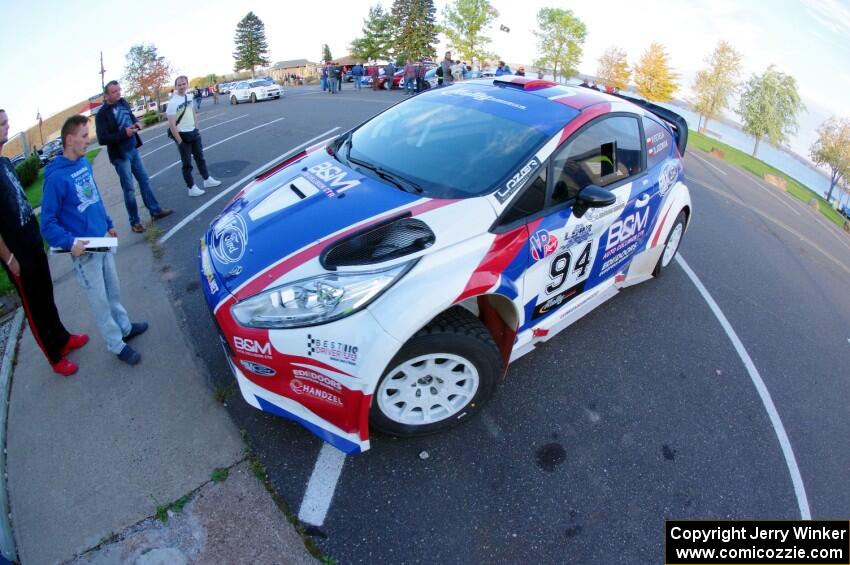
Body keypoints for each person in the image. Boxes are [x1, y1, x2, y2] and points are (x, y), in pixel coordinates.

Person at [41, 115, 148, 366]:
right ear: (69, 139)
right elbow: (47, 224)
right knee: (99, 300)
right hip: (84, 252)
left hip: (102, 240)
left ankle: (124, 327)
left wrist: (109, 223)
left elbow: (95, 198)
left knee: (113, 290)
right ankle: (115, 343)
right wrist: (70, 243)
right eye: (84, 136)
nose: (89, 140)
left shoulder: (84, 164)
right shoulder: (55, 178)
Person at [0, 109, 88, 376]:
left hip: (32, 240)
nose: (7, 126)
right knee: (34, 305)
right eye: (3, 123)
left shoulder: (4, 162)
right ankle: (54, 355)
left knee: (47, 295)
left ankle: (62, 338)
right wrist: (9, 258)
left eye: (6, 121)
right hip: (16, 253)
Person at [95, 80, 173, 234]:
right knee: (129, 189)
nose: (118, 93)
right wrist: (124, 134)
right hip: (120, 155)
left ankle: (155, 211)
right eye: (114, 92)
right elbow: (103, 139)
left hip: (133, 149)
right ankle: (135, 222)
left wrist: (137, 123)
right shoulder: (102, 115)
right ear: (106, 95)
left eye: (119, 90)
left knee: (144, 180)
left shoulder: (123, 102)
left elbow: (130, 116)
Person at [167, 76, 222, 197]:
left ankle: (207, 179)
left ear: (187, 84)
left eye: (184, 84)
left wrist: (197, 128)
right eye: (179, 85)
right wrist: (180, 141)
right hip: (182, 135)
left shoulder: (189, 97)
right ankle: (191, 187)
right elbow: (171, 124)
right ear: (175, 86)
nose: (182, 86)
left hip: (193, 132)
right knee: (187, 164)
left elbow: (192, 112)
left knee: (200, 158)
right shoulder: (172, 103)